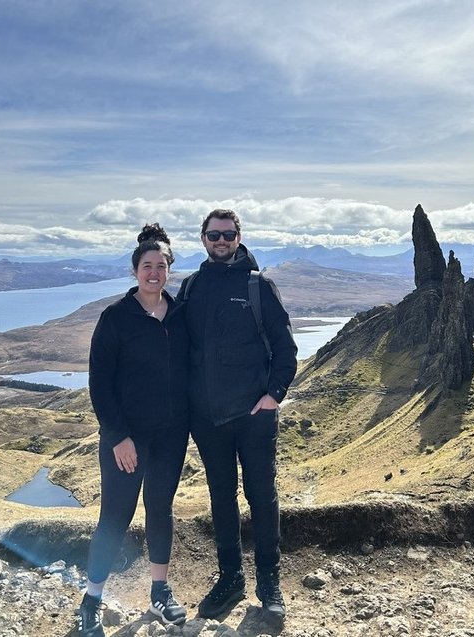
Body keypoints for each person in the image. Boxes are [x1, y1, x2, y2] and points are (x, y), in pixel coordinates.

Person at [178, 209, 298, 620]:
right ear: (203, 239)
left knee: (261, 496)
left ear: (239, 236)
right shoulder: (192, 287)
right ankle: (231, 579)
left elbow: (285, 349)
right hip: (208, 420)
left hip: (253, 416)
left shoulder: (258, 286)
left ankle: (269, 580)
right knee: (221, 499)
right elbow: (179, 349)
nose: (221, 241)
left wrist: (274, 396)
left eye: (228, 235)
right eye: (214, 235)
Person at [76, 224, 190, 636]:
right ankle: (91, 600)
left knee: (160, 509)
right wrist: (118, 436)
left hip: (170, 436)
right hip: (125, 439)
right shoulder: (115, 318)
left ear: (169, 269)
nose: (154, 272)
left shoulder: (179, 314)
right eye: (147, 266)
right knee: (116, 516)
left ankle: (159, 592)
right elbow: (100, 382)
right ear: (135, 270)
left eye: (161, 266)